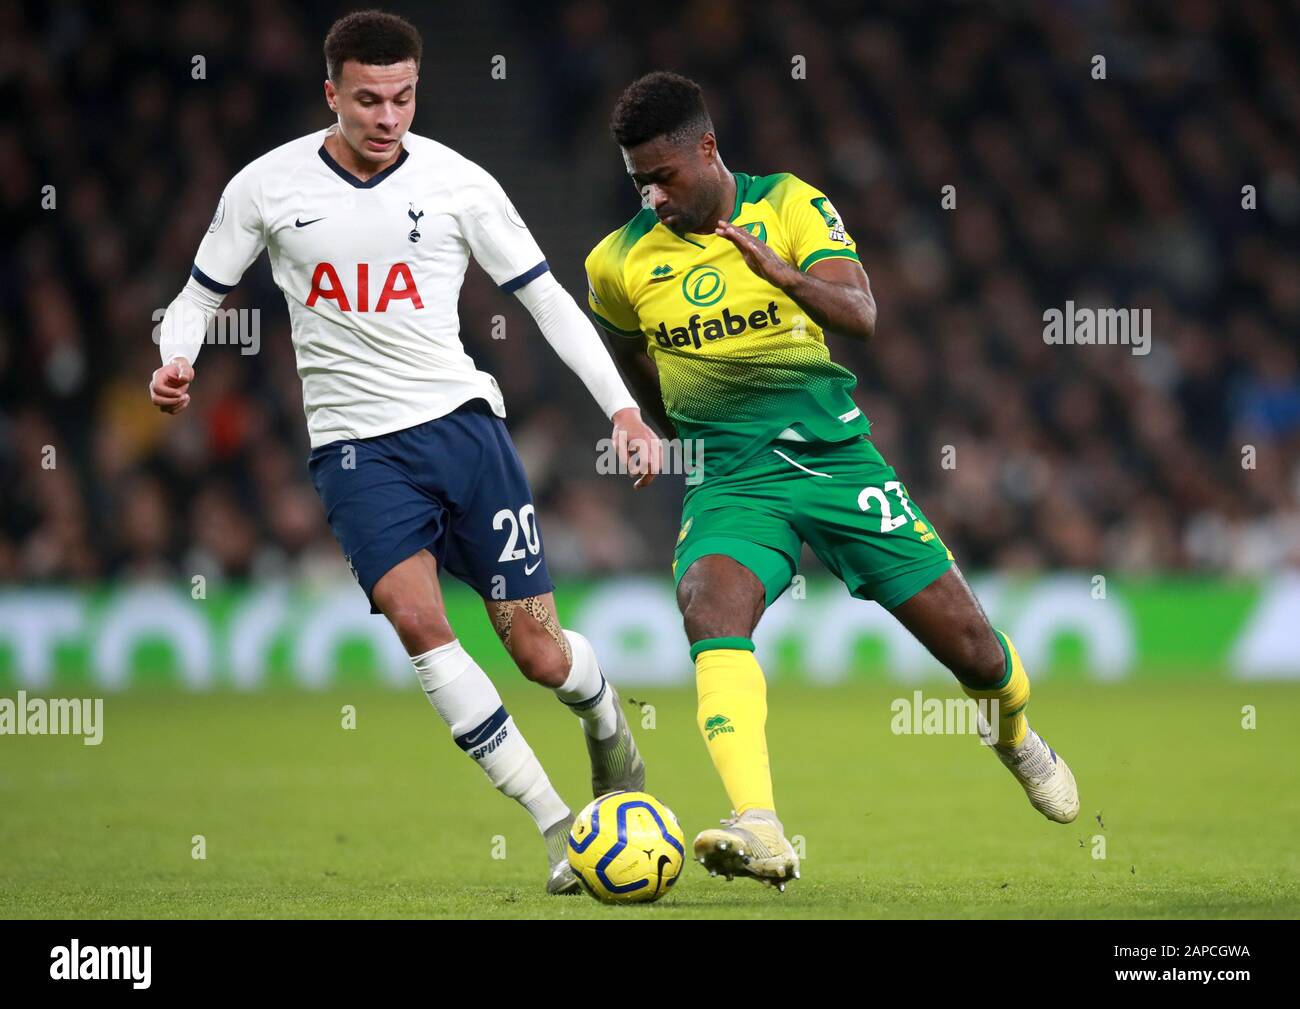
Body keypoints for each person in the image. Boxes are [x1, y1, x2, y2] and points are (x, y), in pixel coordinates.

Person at [149, 10, 659, 895]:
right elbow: (197, 293)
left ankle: (605, 717)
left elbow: (546, 303)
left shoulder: (461, 183)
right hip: (355, 450)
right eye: (370, 100)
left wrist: (622, 408)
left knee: (538, 654)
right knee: (423, 625)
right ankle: (555, 827)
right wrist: (177, 355)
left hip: (464, 430)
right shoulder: (266, 188)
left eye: (405, 98)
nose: (389, 118)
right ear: (332, 94)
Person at [585, 71, 1078, 891]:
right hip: (731, 478)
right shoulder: (617, 261)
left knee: (976, 651)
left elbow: (862, 313)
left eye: (665, 177)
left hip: (836, 462)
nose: (654, 197)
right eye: (639, 181)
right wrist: (661, 428)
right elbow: (626, 350)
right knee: (709, 603)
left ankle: (1018, 737)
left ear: (707, 149)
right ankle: (761, 824)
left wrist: (783, 275)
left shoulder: (788, 203)